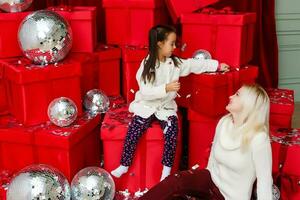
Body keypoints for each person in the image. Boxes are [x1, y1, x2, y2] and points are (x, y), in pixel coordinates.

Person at [111, 25, 229, 181]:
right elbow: (146, 91)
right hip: (147, 105)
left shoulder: (175, 63)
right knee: (134, 129)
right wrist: (166, 88)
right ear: (160, 44)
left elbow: (194, 64)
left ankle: (166, 171)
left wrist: (217, 65)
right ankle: (124, 165)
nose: (174, 47)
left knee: (172, 131)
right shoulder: (148, 65)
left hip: (166, 108)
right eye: (171, 44)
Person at [139, 84, 273, 200]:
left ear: (248, 105)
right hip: (210, 180)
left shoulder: (259, 138)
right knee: (176, 181)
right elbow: (212, 161)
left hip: (229, 197)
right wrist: (198, 183)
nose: (231, 96)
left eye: (237, 95)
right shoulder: (224, 122)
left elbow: (264, 182)